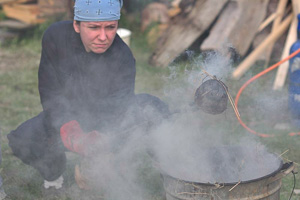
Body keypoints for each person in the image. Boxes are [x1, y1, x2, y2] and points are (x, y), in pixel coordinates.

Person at [7, 0, 169, 193]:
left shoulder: (123, 57)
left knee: (154, 109)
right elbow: (50, 90)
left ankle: (167, 165)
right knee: (23, 138)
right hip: (66, 113)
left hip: (106, 116)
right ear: (77, 25)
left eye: (111, 27)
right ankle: (53, 173)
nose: (103, 37)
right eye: (93, 27)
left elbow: (120, 107)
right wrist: (69, 128)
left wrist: (102, 143)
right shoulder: (55, 37)